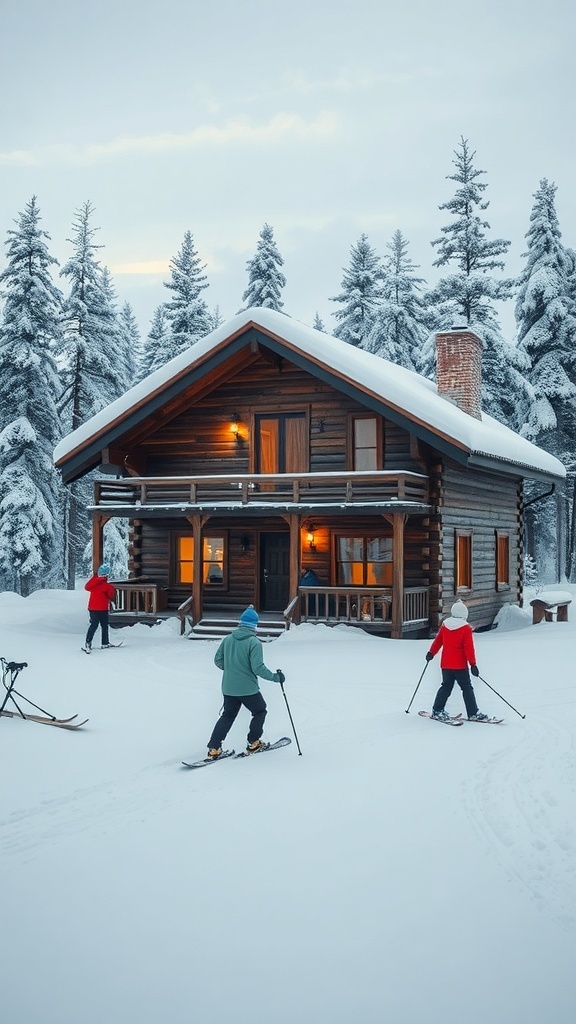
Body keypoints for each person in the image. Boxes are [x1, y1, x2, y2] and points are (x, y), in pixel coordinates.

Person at [207, 605, 285, 759]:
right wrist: (275, 677)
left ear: (241, 622)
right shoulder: (253, 642)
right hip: (248, 688)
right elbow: (258, 668)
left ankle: (214, 749)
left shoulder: (228, 639)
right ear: (254, 625)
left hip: (228, 687)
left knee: (227, 716)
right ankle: (254, 743)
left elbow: (218, 660)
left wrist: (232, 669)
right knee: (260, 710)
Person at [426, 599, 488, 721]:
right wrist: (473, 665)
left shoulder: (445, 625)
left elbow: (438, 641)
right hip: (460, 666)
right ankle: (473, 713)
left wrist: (431, 653)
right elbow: (469, 649)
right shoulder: (466, 628)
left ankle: (437, 709)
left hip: (446, 665)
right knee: (466, 688)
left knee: (446, 686)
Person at [83, 564, 116, 652]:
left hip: (92, 608)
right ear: (107, 575)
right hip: (103, 609)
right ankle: (105, 643)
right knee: (104, 626)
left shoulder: (93, 584)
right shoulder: (108, 586)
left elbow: (86, 587)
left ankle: (88, 643)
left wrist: (94, 577)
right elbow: (111, 596)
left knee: (93, 625)